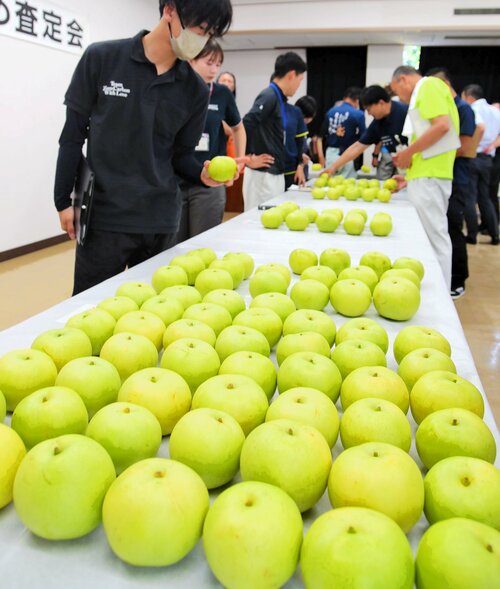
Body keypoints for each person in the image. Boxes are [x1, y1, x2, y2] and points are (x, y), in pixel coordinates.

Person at [54, 0, 233, 295]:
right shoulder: (102, 58)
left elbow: (181, 157)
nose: (201, 39)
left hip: (160, 221)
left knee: (150, 316)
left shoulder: (195, 90)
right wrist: (62, 198)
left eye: (209, 32)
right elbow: (72, 136)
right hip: (104, 217)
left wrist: (201, 174)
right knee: (90, 309)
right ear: (170, 10)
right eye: (199, 28)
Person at [390, 65, 460, 290]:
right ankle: (435, 291)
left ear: (403, 80)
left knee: (434, 239)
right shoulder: (430, 88)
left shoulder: (428, 85)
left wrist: (407, 154)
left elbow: (441, 126)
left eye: (396, 90)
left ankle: (440, 294)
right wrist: (409, 177)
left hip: (431, 177)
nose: (399, 97)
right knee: (429, 237)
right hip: (426, 175)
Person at [175, 40, 246, 242]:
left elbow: (238, 127)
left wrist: (239, 161)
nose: (214, 69)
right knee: (173, 247)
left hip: (210, 182)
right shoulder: (174, 90)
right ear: (191, 61)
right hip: (175, 181)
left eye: (218, 64)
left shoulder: (222, 93)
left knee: (203, 243)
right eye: (209, 63)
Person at [426, 67, 478, 298]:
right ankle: (444, 277)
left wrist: (431, 153)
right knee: (442, 227)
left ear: (446, 85)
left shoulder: (463, 109)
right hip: (441, 176)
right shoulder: (445, 107)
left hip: (457, 177)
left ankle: (458, 280)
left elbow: (464, 146)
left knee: (453, 228)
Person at [242, 52, 307, 210]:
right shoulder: (269, 95)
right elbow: (247, 122)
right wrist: (249, 157)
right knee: (258, 222)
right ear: (292, 75)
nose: (299, 86)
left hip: (274, 173)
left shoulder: (278, 98)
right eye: (300, 80)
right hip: (263, 175)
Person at [322, 85, 408, 180]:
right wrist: (333, 167)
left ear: (381, 103)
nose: (368, 113)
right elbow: (358, 147)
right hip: (404, 167)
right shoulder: (378, 123)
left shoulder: (405, 113)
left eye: (368, 109)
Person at [461, 84, 500, 245]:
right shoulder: (495, 111)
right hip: (488, 158)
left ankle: (472, 235)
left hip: (474, 156)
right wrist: (491, 145)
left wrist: (471, 148)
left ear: (469, 96)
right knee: (485, 197)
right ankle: (495, 234)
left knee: (470, 197)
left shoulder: (473, 109)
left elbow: (480, 127)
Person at [322, 87, 365, 178]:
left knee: (330, 185)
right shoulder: (359, 114)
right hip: (348, 154)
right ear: (357, 100)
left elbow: (322, 135)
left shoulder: (330, 112)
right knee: (348, 187)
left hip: (330, 153)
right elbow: (364, 138)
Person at [283, 95, 317, 189]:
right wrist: (300, 162)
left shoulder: (300, 125)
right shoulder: (291, 125)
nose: (305, 121)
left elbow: (299, 147)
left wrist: (301, 157)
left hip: (299, 170)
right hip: (291, 171)